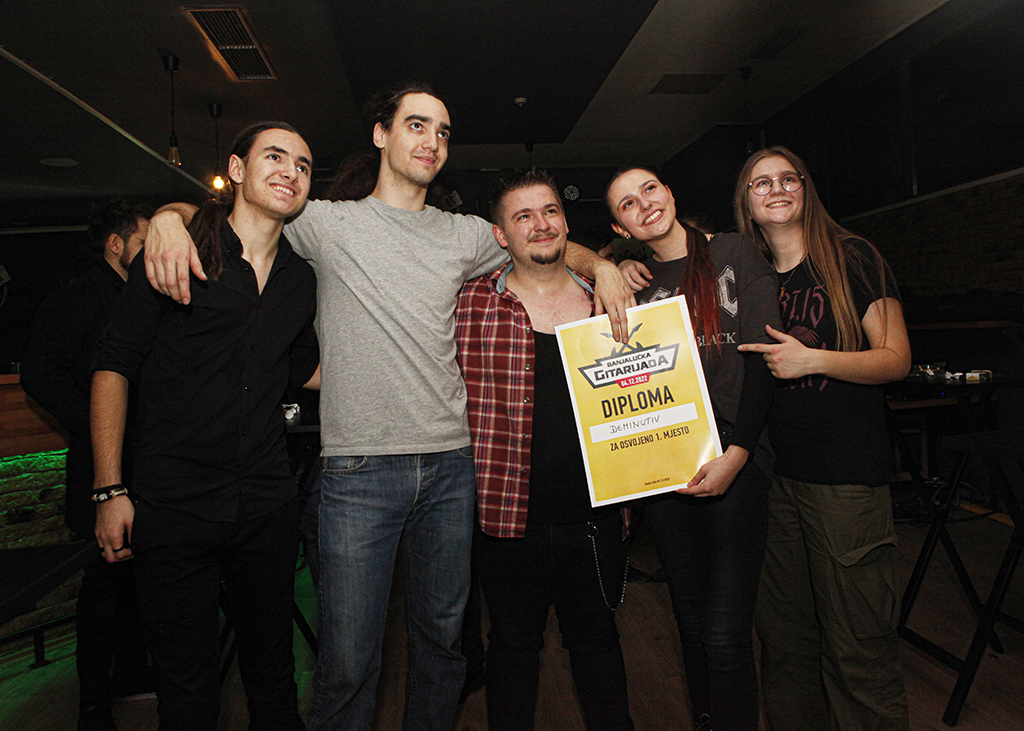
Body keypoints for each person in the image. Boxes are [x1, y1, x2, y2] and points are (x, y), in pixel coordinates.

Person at [140, 81, 633, 731]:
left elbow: (539, 240)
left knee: (443, 651)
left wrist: (603, 266)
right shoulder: (324, 222)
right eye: (416, 125)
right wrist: (168, 217)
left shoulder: (463, 234)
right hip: (358, 471)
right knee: (348, 662)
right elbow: (243, 209)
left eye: (443, 131)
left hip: (452, 470)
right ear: (381, 135)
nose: (432, 141)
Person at [91, 122, 320, 731]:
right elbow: (113, 366)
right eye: (275, 157)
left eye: (302, 165)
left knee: (274, 680)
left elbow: (304, 370)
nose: (290, 171)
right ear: (237, 170)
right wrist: (109, 490)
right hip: (175, 507)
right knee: (187, 695)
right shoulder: (179, 250)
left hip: (266, 505)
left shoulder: (300, 279)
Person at [735, 146, 911, 731]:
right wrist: (618, 264)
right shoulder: (750, 276)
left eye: (789, 178)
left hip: (845, 482)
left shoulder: (851, 256)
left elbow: (895, 359)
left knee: (858, 648)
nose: (777, 188)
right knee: (784, 645)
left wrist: (815, 360)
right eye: (762, 183)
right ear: (746, 203)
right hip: (774, 483)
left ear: (806, 189)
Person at [456, 169, 634, 731]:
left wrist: (606, 268)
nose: (541, 224)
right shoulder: (469, 306)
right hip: (506, 520)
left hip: (596, 516)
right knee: (511, 649)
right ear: (500, 235)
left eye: (551, 211)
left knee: (599, 646)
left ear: (566, 220)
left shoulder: (612, 304)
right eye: (524, 216)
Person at [605, 166, 781, 731]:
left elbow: (763, 360)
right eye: (627, 204)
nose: (644, 203)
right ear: (622, 229)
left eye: (649, 189)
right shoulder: (630, 285)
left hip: (734, 453)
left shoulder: (734, 252)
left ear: (670, 193)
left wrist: (740, 454)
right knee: (689, 621)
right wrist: (610, 266)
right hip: (665, 460)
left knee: (726, 633)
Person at [21, 198, 153, 731]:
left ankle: (131, 677)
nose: (152, 252)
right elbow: (39, 375)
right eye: (142, 242)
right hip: (101, 469)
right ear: (115, 245)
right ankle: (93, 703)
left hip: (144, 464)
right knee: (102, 586)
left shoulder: (140, 298)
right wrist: (99, 422)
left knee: (136, 580)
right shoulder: (76, 300)